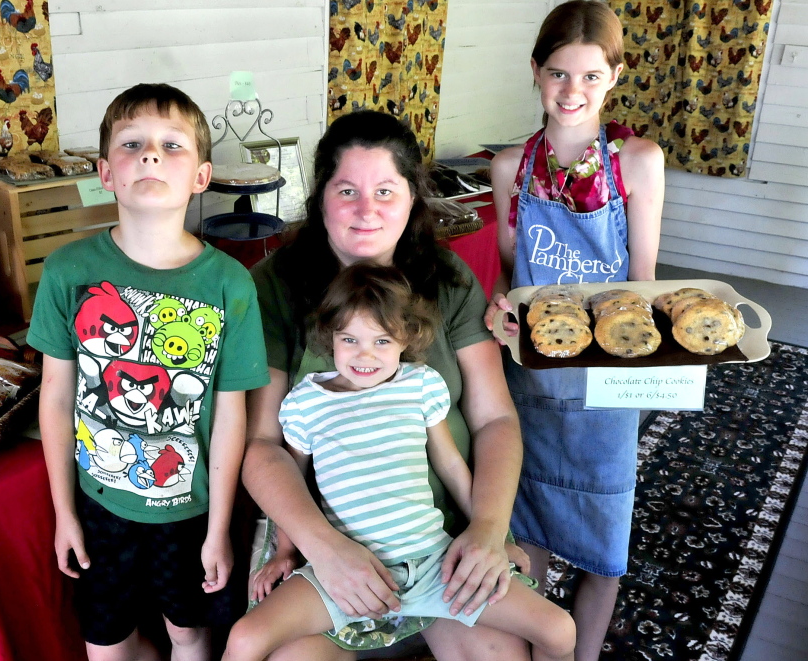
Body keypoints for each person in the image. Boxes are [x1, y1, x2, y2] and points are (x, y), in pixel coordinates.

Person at [242, 109, 533, 660]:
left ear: (412, 199)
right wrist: (321, 547)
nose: (366, 209)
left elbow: (494, 418)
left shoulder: (447, 280)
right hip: (321, 541)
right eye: (346, 189)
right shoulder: (275, 284)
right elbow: (263, 446)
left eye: (385, 190)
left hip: (443, 533)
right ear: (320, 197)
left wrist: (489, 528)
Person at [27, 83, 270, 661]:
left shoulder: (230, 285)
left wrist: (219, 528)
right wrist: (64, 513)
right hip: (96, 504)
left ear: (202, 177)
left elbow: (233, 416)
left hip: (189, 515)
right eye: (132, 143)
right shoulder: (67, 271)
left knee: (188, 632)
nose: (151, 155)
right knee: (105, 640)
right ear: (106, 172)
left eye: (171, 144)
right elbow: (56, 399)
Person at [225, 264, 575, 661]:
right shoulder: (306, 402)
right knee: (244, 640)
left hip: (435, 565)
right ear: (330, 336)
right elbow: (295, 481)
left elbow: (451, 466)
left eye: (381, 341)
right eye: (350, 339)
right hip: (344, 571)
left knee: (559, 630)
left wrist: (494, 535)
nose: (365, 355)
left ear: (405, 339)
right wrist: (286, 552)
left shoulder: (419, 384)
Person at [484, 2, 666, 660]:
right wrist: (499, 311)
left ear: (615, 76)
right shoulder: (509, 168)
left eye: (591, 77)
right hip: (530, 378)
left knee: (603, 538)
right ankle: (533, 640)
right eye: (558, 74)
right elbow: (511, 280)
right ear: (534, 71)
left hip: (605, 383)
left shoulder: (638, 162)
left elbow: (640, 277)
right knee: (524, 520)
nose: (572, 92)